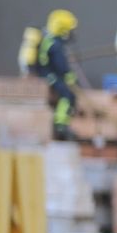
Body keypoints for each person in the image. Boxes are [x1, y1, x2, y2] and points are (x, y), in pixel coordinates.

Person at [34, 9, 80, 140]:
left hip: (48, 72)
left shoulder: (50, 40)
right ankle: (61, 125)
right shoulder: (56, 44)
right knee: (68, 95)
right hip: (49, 75)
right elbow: (61, 66)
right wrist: (71, 78)